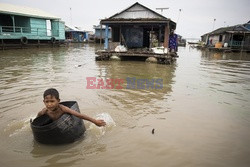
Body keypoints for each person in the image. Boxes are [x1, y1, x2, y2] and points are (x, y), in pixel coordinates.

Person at [37, 88, 106, 127]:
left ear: (58, 101)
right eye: (47, 102)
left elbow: (79, 115)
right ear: (44, 102)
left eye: (52, 101)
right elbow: (37, 120)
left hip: (63, 124)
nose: (49, 104)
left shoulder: (63, 109)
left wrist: (95, 121)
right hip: (54, 126)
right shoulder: (44, 111)